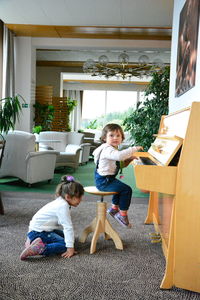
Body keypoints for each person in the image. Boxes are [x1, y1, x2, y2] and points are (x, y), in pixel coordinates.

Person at [20, 175, 84, 260]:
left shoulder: (61, 201)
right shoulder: (63, 206)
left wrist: (29, 236)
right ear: (68, 197)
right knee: (65, 245)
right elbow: (68, 227)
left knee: (69, 238)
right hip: (40, 232)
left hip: (37, 230)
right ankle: (39, 248)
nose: (81, 200)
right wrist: (70, 248)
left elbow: (36, 220)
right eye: (79, 197)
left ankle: (33, 241)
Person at [93, 123, 142, 228]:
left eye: (118, 136)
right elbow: (119, 157)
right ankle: (122, 215)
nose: (115, 138)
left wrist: (129, 159)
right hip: (104, 182)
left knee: (120, 186)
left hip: (106, 179)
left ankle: (114, 208)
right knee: (126, 190)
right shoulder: (107, 149)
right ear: (104, 138)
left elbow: (118, 164)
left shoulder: (110, 149)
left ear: (122, 138)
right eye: (111, 135)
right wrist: (133, 149)